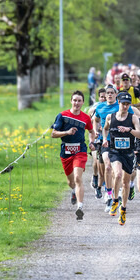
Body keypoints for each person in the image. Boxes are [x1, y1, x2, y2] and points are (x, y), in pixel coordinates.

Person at [50, 90, 94, 221]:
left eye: (79, 100)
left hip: (80, 151)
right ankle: (74, 190)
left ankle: (80, 208)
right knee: (71, 182)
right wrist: (67, 132)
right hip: (66, 152)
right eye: (75, 100)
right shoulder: (62, 116)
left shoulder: (86, 117)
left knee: (78, 177)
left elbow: (92, 131)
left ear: (83, 102)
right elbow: (53, 134)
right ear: (71, 101)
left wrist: (92, 142)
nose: (77, 103)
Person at [104, 92, 140, 226]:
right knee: (118, 174)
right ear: (118, 103)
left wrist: (129, 130)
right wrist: (104, 139)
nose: (125, 106)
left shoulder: (133, 118)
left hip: (128, 153)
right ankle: (115, 200)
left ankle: (123, 209)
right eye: (123, 103)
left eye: (128, 104)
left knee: (126, 183)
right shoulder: (110, 117)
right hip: (115, 152)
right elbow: (104, 129)